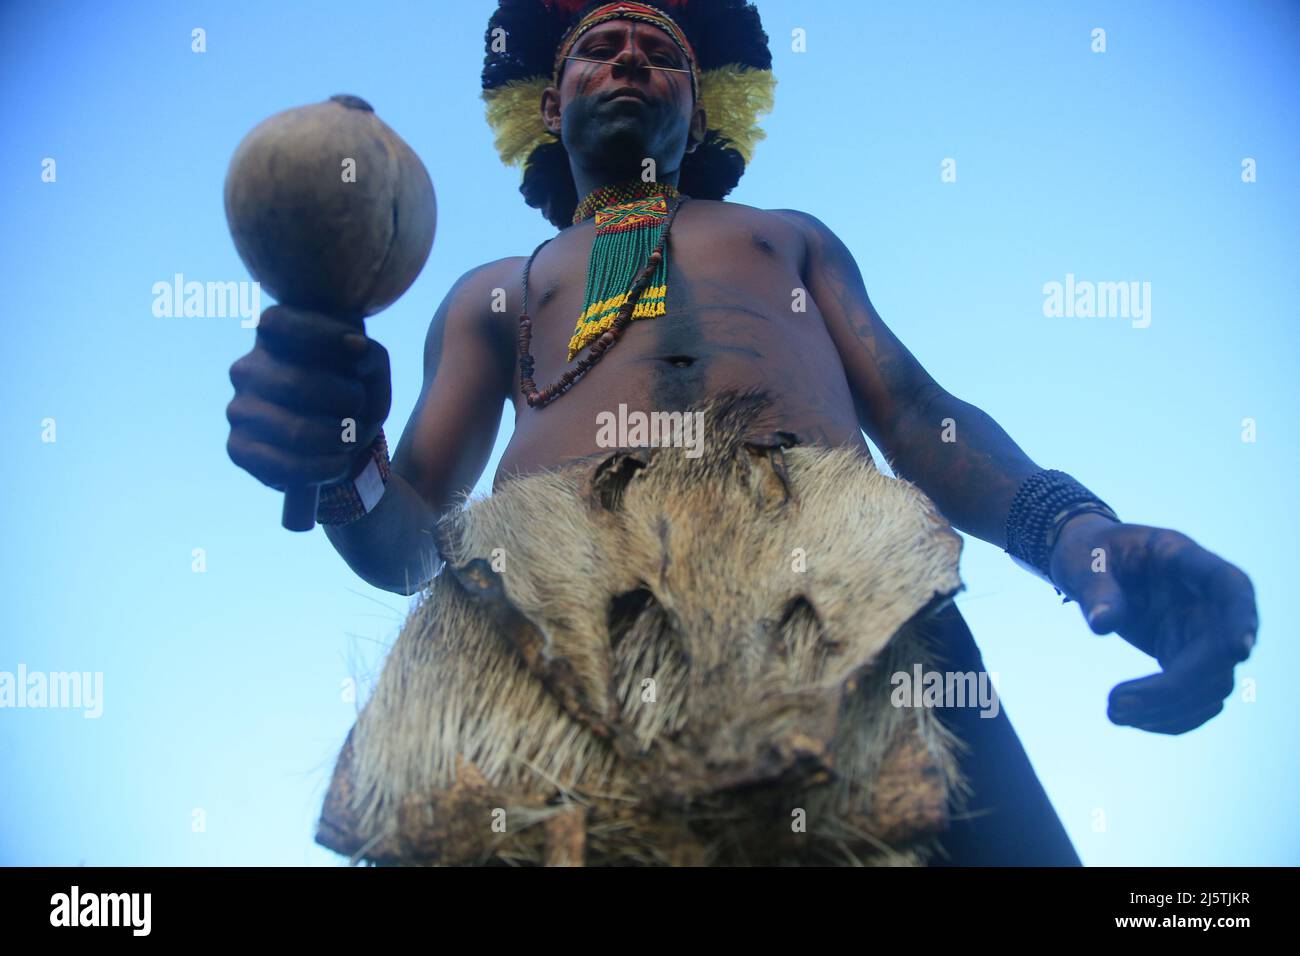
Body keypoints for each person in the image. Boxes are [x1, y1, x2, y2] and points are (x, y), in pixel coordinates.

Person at [225, 0, 1257, 866]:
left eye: (663, 50)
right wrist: (343, 459)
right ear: (547, 103)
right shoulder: (491, 294)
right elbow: (407, 545)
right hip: (527, 630)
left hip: (840, 601)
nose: (630, 54)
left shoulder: (784, 238)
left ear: (702, 103)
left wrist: (1070, 527)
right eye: (598, 42)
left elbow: (908, 409)